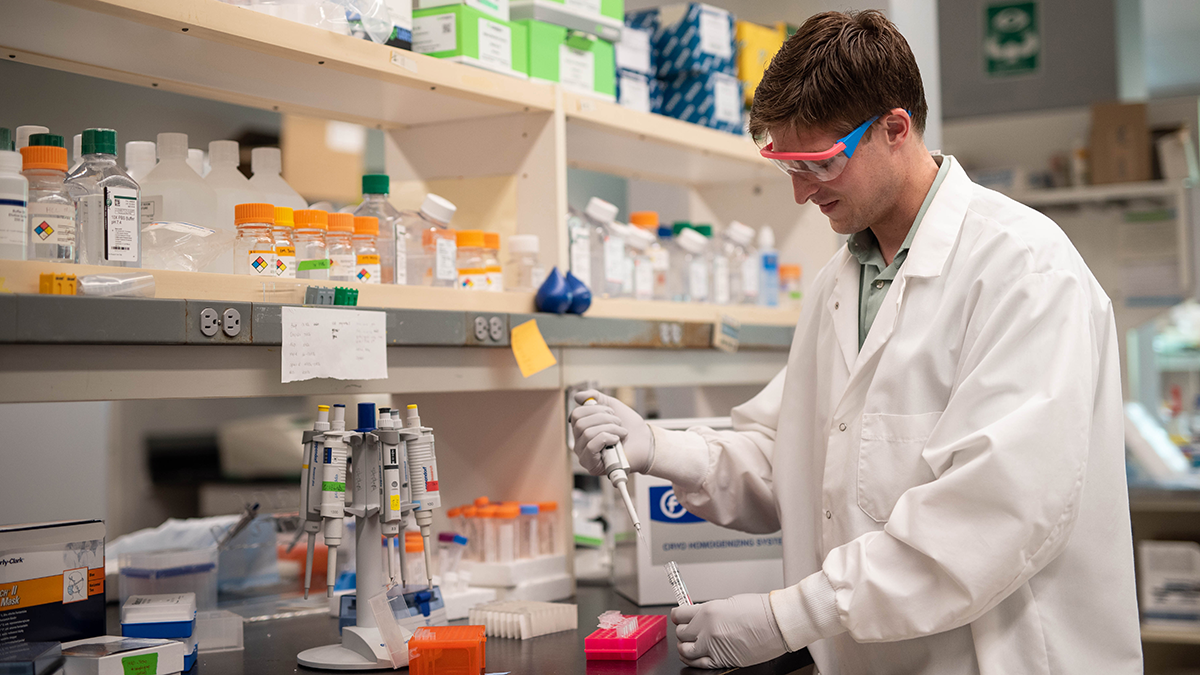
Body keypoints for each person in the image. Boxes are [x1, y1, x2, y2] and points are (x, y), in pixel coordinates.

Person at [569, 10, 1142, 675]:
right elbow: (799, 458)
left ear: (895, 129)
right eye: (786, 164)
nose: (799, 191)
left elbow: (993, 513)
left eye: (817, 162)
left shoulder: (1023, 268)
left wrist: (786, 616)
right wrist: (657, 446)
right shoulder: (842, 281)